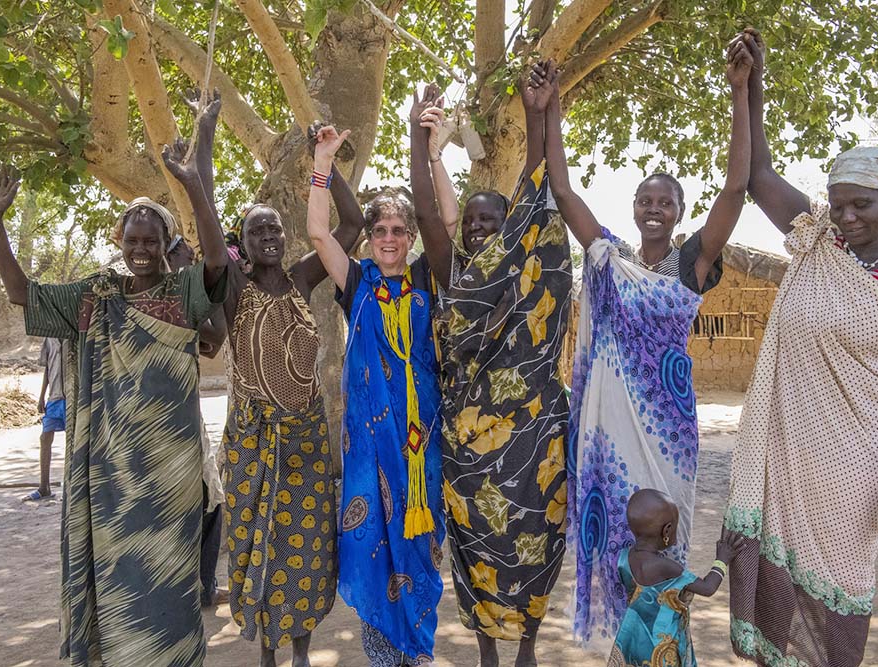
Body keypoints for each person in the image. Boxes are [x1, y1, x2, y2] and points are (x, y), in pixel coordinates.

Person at [723, 30, 878, 667]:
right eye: (839, 204)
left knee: (839, 584)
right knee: (777, 580)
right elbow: (759, 174)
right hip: (788, 443)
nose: (845, 218)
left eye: (861, 205)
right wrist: (748, 85)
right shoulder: (817, 240)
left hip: (857, 457)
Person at [532, 43, 752, 654]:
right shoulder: (608, 257)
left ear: (679, 212)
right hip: (608, 434)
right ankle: (626, 649)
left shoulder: (689, 266)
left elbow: (736, 190)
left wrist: (740, 95)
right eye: (645, 200)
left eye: (666, 202)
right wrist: (548, 112)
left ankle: (667, 649)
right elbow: (561, 186)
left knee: (664, 539)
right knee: (615, 544)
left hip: (668, 432)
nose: (654, 208)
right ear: (633, 209)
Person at [0, 160, 227, 665]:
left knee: (169, 584)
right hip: (110, 475)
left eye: (151, 242)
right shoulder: (97, 296)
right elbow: (21, 295)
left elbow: (219, 265)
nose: (141, 251)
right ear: (119, 240)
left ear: (166, 243)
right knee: (120, 586)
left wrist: (195, 185)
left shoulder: (182, 293)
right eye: (132, 241)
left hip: (170, 477)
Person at [162, 98, 364, 667]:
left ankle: (302, 652)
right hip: (252, 440)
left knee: (306, 550)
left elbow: (351, 226)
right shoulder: (232, 290)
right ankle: (270, 655)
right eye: (258, 231)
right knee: (258, 548)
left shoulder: (303, 277)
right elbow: (206, 236)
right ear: (243, 245)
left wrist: (327, 160)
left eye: (275, 228)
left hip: (304, 438)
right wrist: (201, 152)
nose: (270, 236)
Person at [410, 76, 572, 667]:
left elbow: (539, 184)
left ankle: (526, 646)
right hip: (468, 449)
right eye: (471, 222)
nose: (476, 228)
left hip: (533, 440)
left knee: (534, 543)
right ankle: (486, 652)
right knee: (475, 547)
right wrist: (415, 134)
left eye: (489, 221)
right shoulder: (453, 277)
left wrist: (538, 114)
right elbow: (426, 207)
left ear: (508, 230)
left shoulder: (529, 278)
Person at [308, 125, 446, 666]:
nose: (388, 238)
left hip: (419, 449)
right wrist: (323, 163)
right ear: (368, 240)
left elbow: (447, 222)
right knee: (369, 551)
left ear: (410, 237)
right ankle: (384, 657)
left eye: (398, 229)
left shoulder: (427, 282)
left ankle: (418, 653)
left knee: (417, 550)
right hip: (366, 453)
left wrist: (430, 152)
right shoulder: (357, 283)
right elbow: (320, 234)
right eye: (379, 230)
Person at [608, 489, 744, 667]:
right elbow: (708, 587)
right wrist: (722, 560)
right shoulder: (667, 568)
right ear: (667, 530)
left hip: (631, 635)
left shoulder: (624, 557)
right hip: (660, 641)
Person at [166, 234, 228, 608]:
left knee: (210, 499)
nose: (192, 261)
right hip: (165, 420)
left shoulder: (180, 293)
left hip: (186, 414)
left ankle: (202, 585)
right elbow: (213, 335)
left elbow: (213, 340)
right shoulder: (165, 294)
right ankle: (195, 587)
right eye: (186, 255)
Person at [22, 336, 65, 502]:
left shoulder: (74, 334)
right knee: (45, 438)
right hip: (54, 396)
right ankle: (44, 486)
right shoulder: (50, 338)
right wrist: (41, 396)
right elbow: (47, 369)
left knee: (73, 443)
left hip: (71, 394)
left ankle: (71, 487)